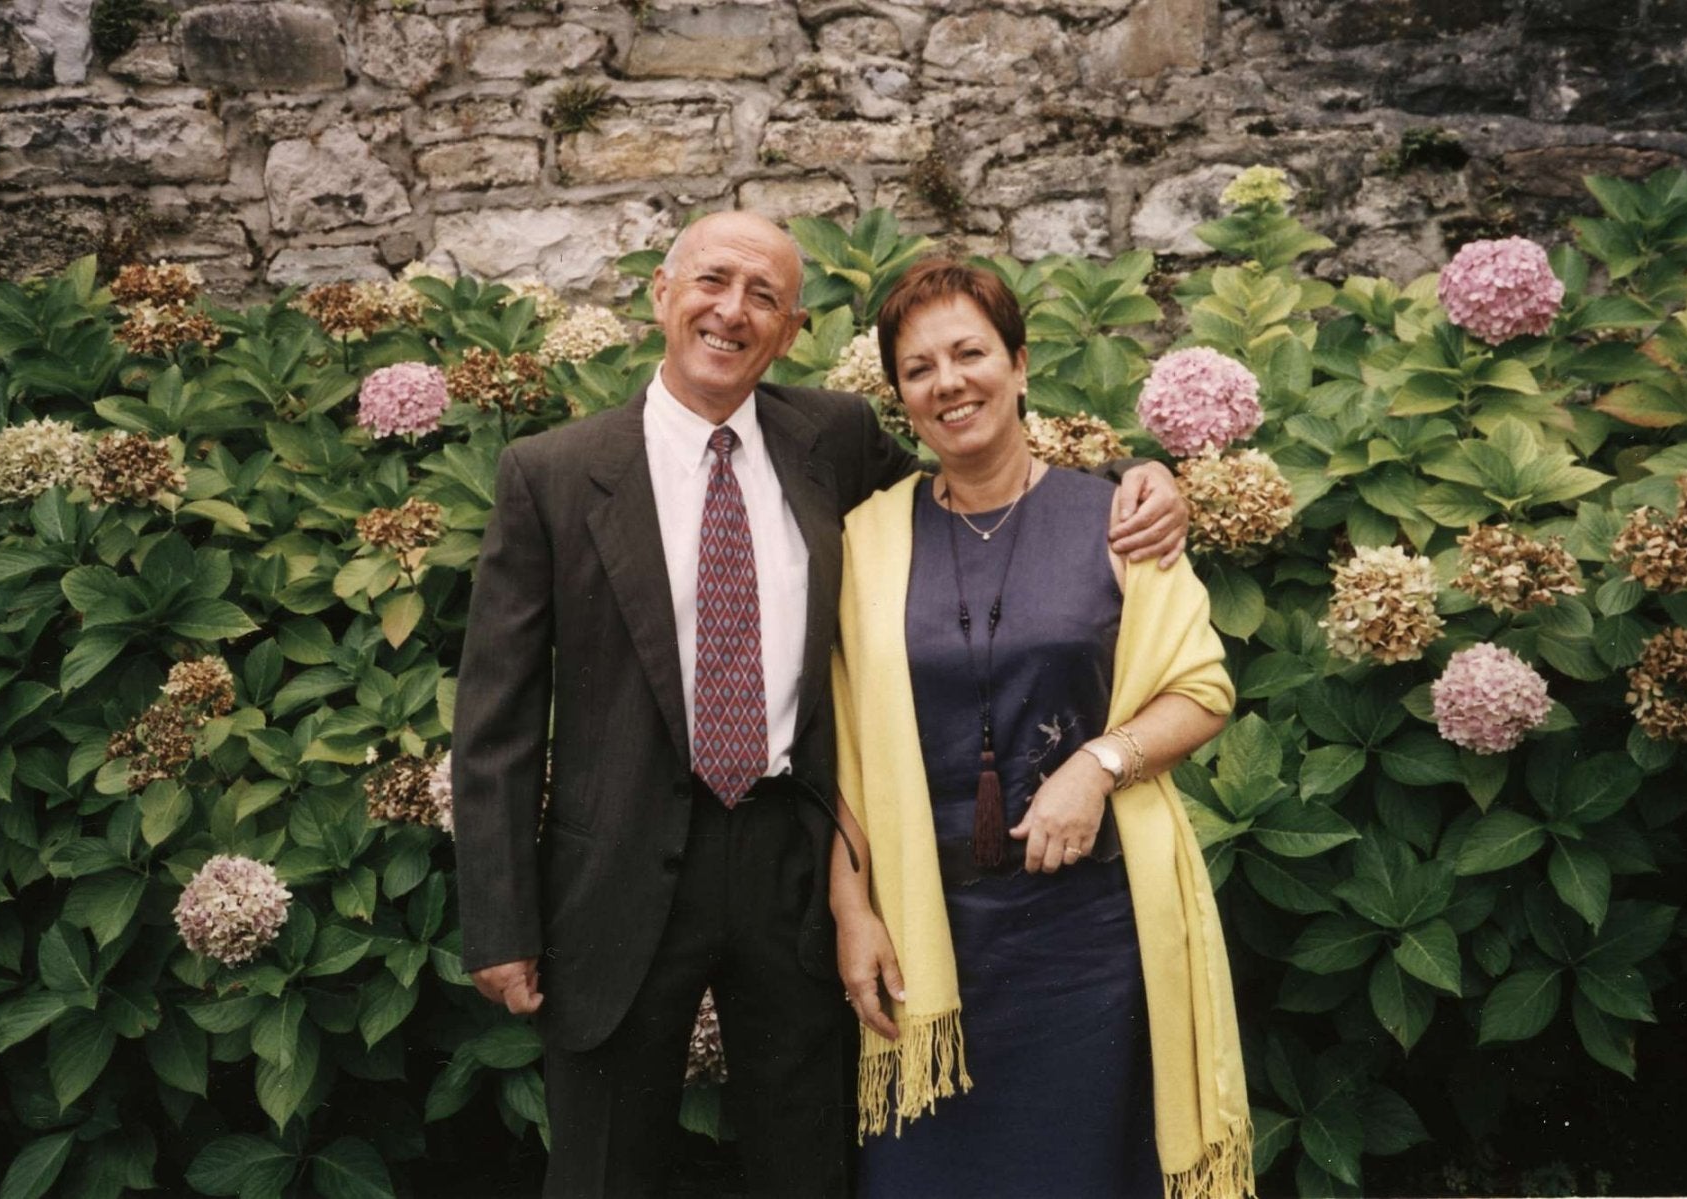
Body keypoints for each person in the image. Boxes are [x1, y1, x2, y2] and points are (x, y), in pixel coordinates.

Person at [450, 212, 1190, 1197]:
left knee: (808, 1160)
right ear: (662, 293)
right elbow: (497, 716)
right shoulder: (548, 472)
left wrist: (1129, 482)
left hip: (794, 860)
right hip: (617, 872)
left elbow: (972, 493)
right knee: (600, 1169)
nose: (732, 311)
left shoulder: (831, 439)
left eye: (764, 296)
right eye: (713, 282)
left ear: (792, 330)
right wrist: (500, 917)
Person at [828, 260, 1254, 1199]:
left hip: (1090, 937)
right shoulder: (866, 539)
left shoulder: (1119, 518)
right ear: (899, 396)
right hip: (931, 937)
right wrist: (852, 912)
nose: (949, 383)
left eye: (971, 353)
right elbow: (845, 755)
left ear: (1020, 364)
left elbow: (1202, 688)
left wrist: (1099, 764)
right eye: (918, 367)